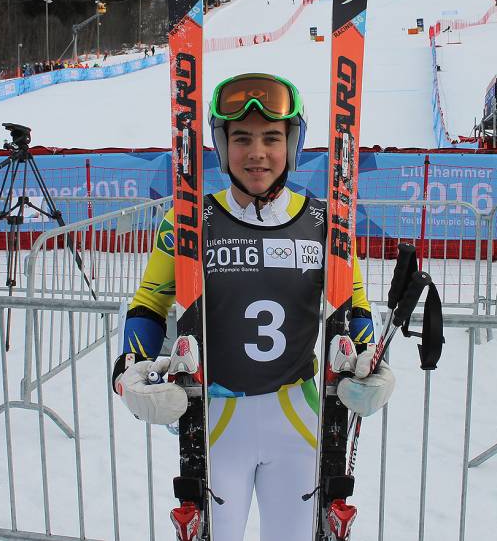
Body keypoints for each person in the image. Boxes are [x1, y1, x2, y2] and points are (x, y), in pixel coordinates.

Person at [112, 73, 394, 541]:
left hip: (298, 417)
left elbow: (353, 303)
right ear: (222, 146)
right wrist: (131, 368)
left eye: (271, 138)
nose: (257, 153)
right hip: (217, 419)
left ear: (291, 144)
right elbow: (149, 302)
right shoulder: (189, 221)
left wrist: (369, 362)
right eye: (241, 138)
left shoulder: (324, 221)